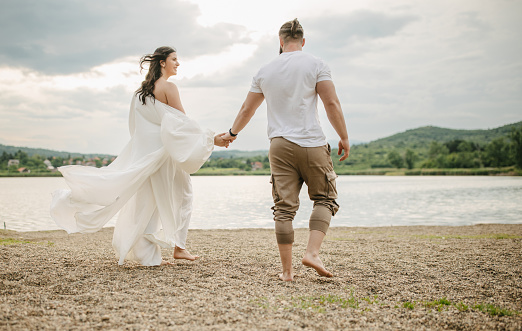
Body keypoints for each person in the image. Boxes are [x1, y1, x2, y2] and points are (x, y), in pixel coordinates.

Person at [51, 46, 230, 266]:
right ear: (162, 62)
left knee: (147, 204)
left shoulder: (140, 93)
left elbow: (136, 128)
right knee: (183, 196)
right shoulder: (169, 88)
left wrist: (143, 152)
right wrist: (213, 138)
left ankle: (150, 257)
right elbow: (184, 126)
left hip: (146, 155)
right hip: (164, 156)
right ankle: (179, 247)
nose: (178, 63)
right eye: (174, 59)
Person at [222, 19, 350, 281]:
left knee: (284, 208)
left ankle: (287, 272)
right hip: (312, 142)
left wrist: (232, 133)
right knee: (325, 198)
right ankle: (312, 253)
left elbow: (248, 109)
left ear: (280, 42)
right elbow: (331, 103)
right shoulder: (317, 64)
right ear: (303, 42)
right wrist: (344, 137)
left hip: (279, 145)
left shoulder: (265, 70)